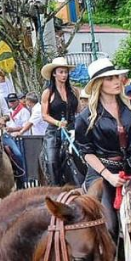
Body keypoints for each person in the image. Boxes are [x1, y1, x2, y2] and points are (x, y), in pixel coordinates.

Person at [75, 58, 131, 238]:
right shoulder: (85, 117)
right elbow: (86, 152)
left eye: (116, 77)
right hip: (101, 173)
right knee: (110, 226)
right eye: (110, 78)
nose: (116, 82)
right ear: (98, 84)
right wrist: (109, 176)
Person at [39, 57, 78, 185]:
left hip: (73, 130)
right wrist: (57, 123)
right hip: (54, 132)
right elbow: (44, 115)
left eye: (66, 72)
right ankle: (55, 187)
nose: (64, 75)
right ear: (54, 73)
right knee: (52, 160)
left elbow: (79, 111)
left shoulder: (74, 91)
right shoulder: (48, 93)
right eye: (61, 72)